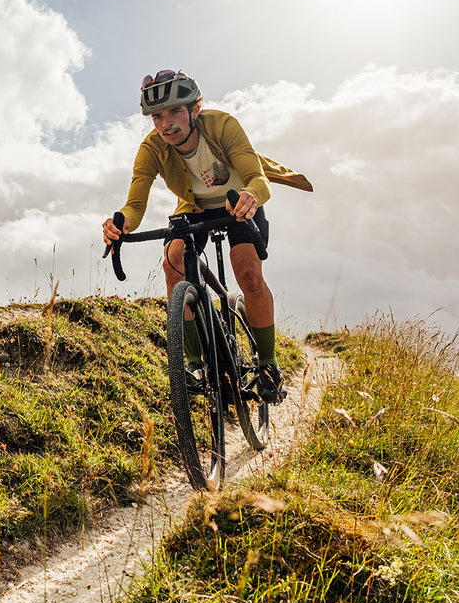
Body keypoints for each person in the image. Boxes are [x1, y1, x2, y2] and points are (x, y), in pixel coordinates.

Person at [102, 69, 312, 403]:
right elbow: (135, 204)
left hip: (239, 203)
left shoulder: (223, 126)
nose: (166, 123)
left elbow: (258, 178)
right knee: (173, 263)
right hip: (195, 208)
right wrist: (120, 224)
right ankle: (196, 362)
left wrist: (251, 197)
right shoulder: (152, 148)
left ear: (194, 110)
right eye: (157, 116)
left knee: (248, 273)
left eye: (174, 112)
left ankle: (268, 365)